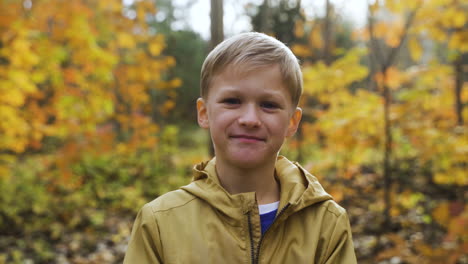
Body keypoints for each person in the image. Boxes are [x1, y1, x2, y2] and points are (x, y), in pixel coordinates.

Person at [123, 32, 357, 264]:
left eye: (268, 105)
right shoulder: (160, 223)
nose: (249, 119)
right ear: (204, 113)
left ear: (292, 122)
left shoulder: (326, 224)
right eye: (232, 101)